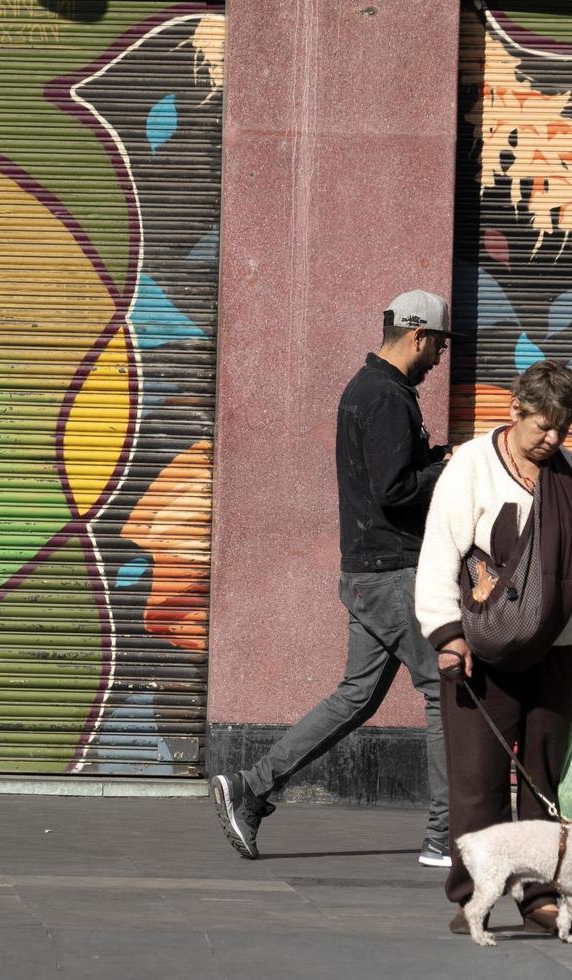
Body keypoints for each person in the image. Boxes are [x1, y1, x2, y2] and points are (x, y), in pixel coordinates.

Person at [212, 289, 454, 866]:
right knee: (446, 693)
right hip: (394, 574)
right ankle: (446, 836)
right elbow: (395, 492)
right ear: (418, 336)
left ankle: (252, 786)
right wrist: (446, 470)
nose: (441, 357)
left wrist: (436, 459)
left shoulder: (368, 389)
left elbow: (387, 478)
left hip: (369, 573)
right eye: (439, 344)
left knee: (355, 698)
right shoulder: (388, 397)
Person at [414, 360, 572, 936]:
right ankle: (472, 895)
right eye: (541, 427)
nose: (551, 439)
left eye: (562, 427)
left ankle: (540, 896)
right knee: (478, 781)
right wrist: (447, 635)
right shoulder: (471, 469)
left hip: (558, 655)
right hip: (486, 653)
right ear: (515, 411)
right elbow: (438, 557)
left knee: (544, 779)